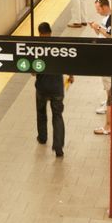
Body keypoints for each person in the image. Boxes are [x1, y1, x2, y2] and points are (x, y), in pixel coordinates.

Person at [35, 22, 72, 157]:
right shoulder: (58, 46)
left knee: (41, 112)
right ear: (50, 32)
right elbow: (66, 63)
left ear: (39, 33)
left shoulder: (37, 48)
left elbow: (33, 72)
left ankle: (42, 137)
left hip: (42, 87)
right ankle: (58, 148)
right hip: (57, 88)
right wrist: (71, 75)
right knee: (57, 116)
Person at [91, 0, 112, 134]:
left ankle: (108, 125)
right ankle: (107, 101)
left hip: (108, 58)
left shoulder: (111, 18)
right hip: (105, 57)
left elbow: (110, 36)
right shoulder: (106, 18)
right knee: (107, 87)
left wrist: (98, 27)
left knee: (109, 87)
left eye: (98, 9)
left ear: (105, 7)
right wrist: (96, 29)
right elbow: (103, 34)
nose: (97, 12)